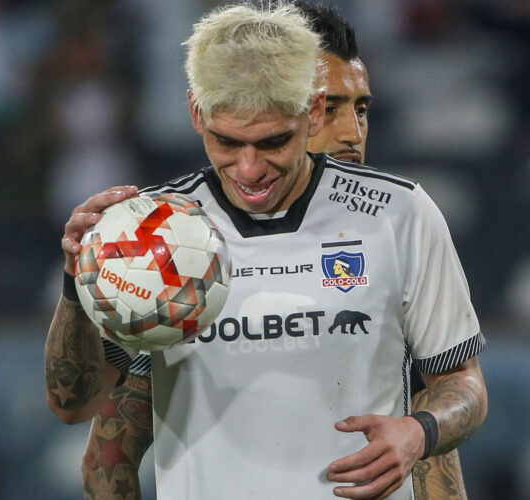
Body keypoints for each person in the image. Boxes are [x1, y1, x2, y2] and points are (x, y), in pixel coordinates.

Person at [45, 3, 488, 499]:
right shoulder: (158, 234)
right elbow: (79, 411)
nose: (249, 168)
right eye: (227, 142)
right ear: (196, 112)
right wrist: (75, 282)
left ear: (309, 112)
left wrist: (419, 431)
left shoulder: (398, 213)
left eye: (272, 142)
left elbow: (460, 386)